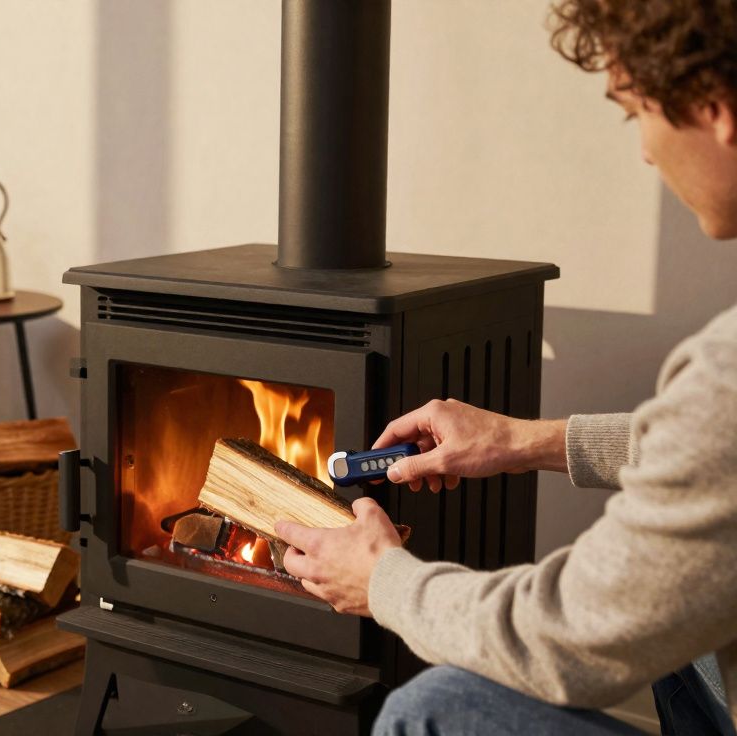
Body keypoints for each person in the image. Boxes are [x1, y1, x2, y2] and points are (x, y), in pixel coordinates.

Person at [271, 2, 737, 734]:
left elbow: (572, 638)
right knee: (675, 582)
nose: (646, 151)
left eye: (636, 113)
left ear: (714, 111)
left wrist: (384, 582)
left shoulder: (726, 370)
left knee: (432, 709)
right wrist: (525, 441)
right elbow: (714, 466)